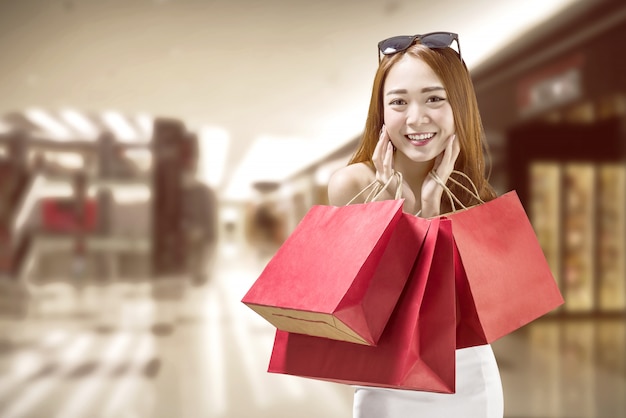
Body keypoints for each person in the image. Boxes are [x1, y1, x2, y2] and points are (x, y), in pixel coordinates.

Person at [327, 32, 504, 417]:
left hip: (470, 376)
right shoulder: (353, 186)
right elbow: (367, 321)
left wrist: (429, 208)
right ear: (381, 112)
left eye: (434, 98)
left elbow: (469, 312)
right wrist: (395, 214)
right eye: (399, 102)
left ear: (459, 105)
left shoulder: (468, 190)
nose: (416, 118)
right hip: (388, 384)